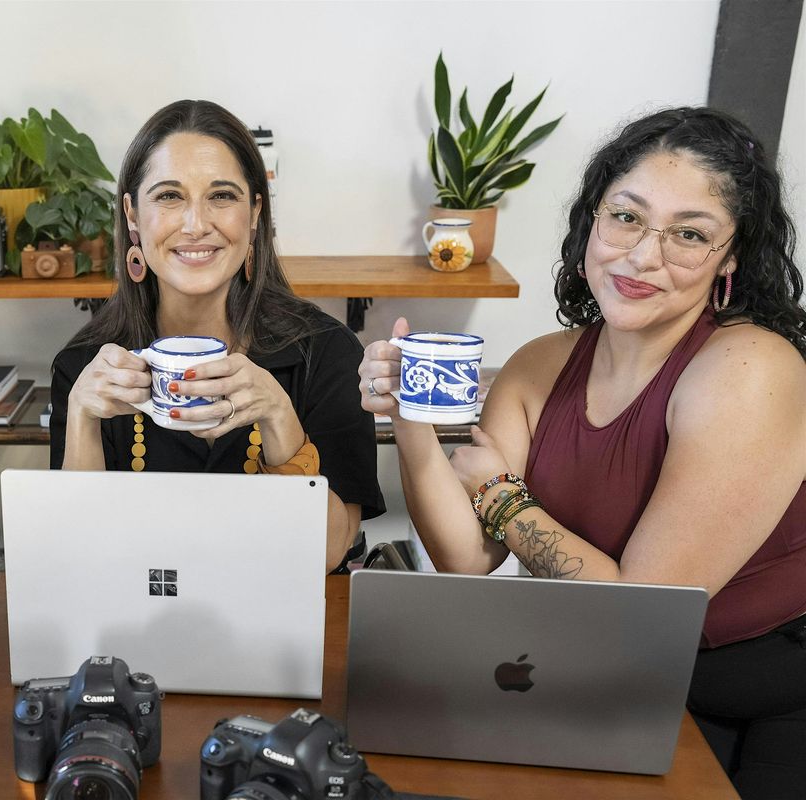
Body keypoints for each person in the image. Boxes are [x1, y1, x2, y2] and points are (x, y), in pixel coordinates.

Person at [359, 107, 805, 797]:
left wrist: (504, 498)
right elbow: (464, 558)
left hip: (763, 700)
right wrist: (410, 417)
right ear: (591, 221)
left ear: (731, 257)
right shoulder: (540, 365)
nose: (642, 255)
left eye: (689, 234)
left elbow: (639, 615)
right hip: (604, 678)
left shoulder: (751, 368)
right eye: (626, 216)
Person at [50, 100, 385, 570]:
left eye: (222, 196)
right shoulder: (86, 365)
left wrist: (277, 415)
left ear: (253, 214)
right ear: (131, 215)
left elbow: (328, 553)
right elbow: (78, 555)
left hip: (285, 626)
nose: (195, 224)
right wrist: (82, 417)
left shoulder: (326, 352)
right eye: (169, 196)